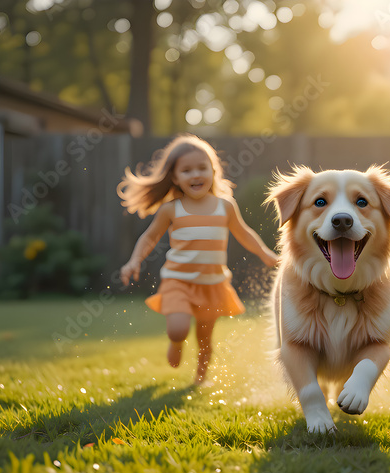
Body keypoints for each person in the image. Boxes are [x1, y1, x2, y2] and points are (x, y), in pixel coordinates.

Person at [118, 134, 278, 385]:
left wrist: (265, 253)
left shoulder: (225, 206)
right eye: (187, 170)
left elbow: (244, 234)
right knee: (178, 327)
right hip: (177, 281)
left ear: (213, 171)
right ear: (175, 177)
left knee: (205, 337)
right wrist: (134, 261)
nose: (196, 175)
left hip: (212, 283)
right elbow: (149, 238)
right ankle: (176, 341)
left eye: (202, 168)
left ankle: (201, 378)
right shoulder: (171, 209)